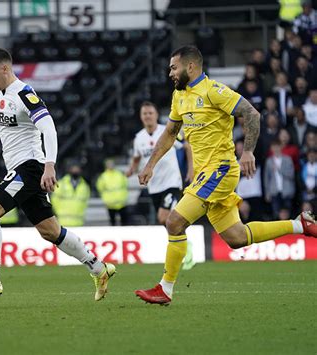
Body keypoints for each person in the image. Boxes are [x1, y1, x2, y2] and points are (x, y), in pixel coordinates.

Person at [0, 48, 115, 301]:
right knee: (50, 231)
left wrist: (50, 165)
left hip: (30, 167)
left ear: (5, 68)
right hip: (20, 169)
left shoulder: (25, 94)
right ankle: (97, 267)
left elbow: (49, 129)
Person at [134, 45, 317, 306]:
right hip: (205, 175)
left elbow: (251, 113)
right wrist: (150, 164)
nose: (170, 73)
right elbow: (170, 133)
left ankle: (165, 288)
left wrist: (249, 152)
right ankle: (300, 225)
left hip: (220, 170)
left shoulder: (213, 91)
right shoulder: (179, 97)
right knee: (236, 238)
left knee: (174, 222)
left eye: (174, 67)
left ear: (190, 66)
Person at [126, 101, 195, 270]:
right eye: (145, 113)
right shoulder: (139, 138)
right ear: (141, 117)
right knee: (167, 221)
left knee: (164, 218)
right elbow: (136, 156)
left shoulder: (167, 132)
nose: (148, 116)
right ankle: (182, 246)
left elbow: (187, 146)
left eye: (150, 113)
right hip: (154, 186)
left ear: (156, 115)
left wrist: (192, 169)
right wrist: (132, 169)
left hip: (172, 182)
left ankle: (186, 248)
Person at [264, 140, 296, 220]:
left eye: (277, 146)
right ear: (271, 148)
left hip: (286, 191)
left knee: (288, 213)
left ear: (281, 147)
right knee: (276, 214)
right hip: (274, 191)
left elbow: (291, 174)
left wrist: (279, 169)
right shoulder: (269, 161)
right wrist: (267, 192)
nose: (276, 149)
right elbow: (266, 178)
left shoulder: (287, 159)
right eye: (274, 147)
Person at [96, 158, 129, 226]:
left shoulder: (119, 174)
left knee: (124, 222)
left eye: (111, 164)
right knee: (112, 222)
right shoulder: (103, 176)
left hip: (121, 202)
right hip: (110, 204)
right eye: (109, 164)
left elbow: (125, 184)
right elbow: (100, 188)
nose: (110, 165)